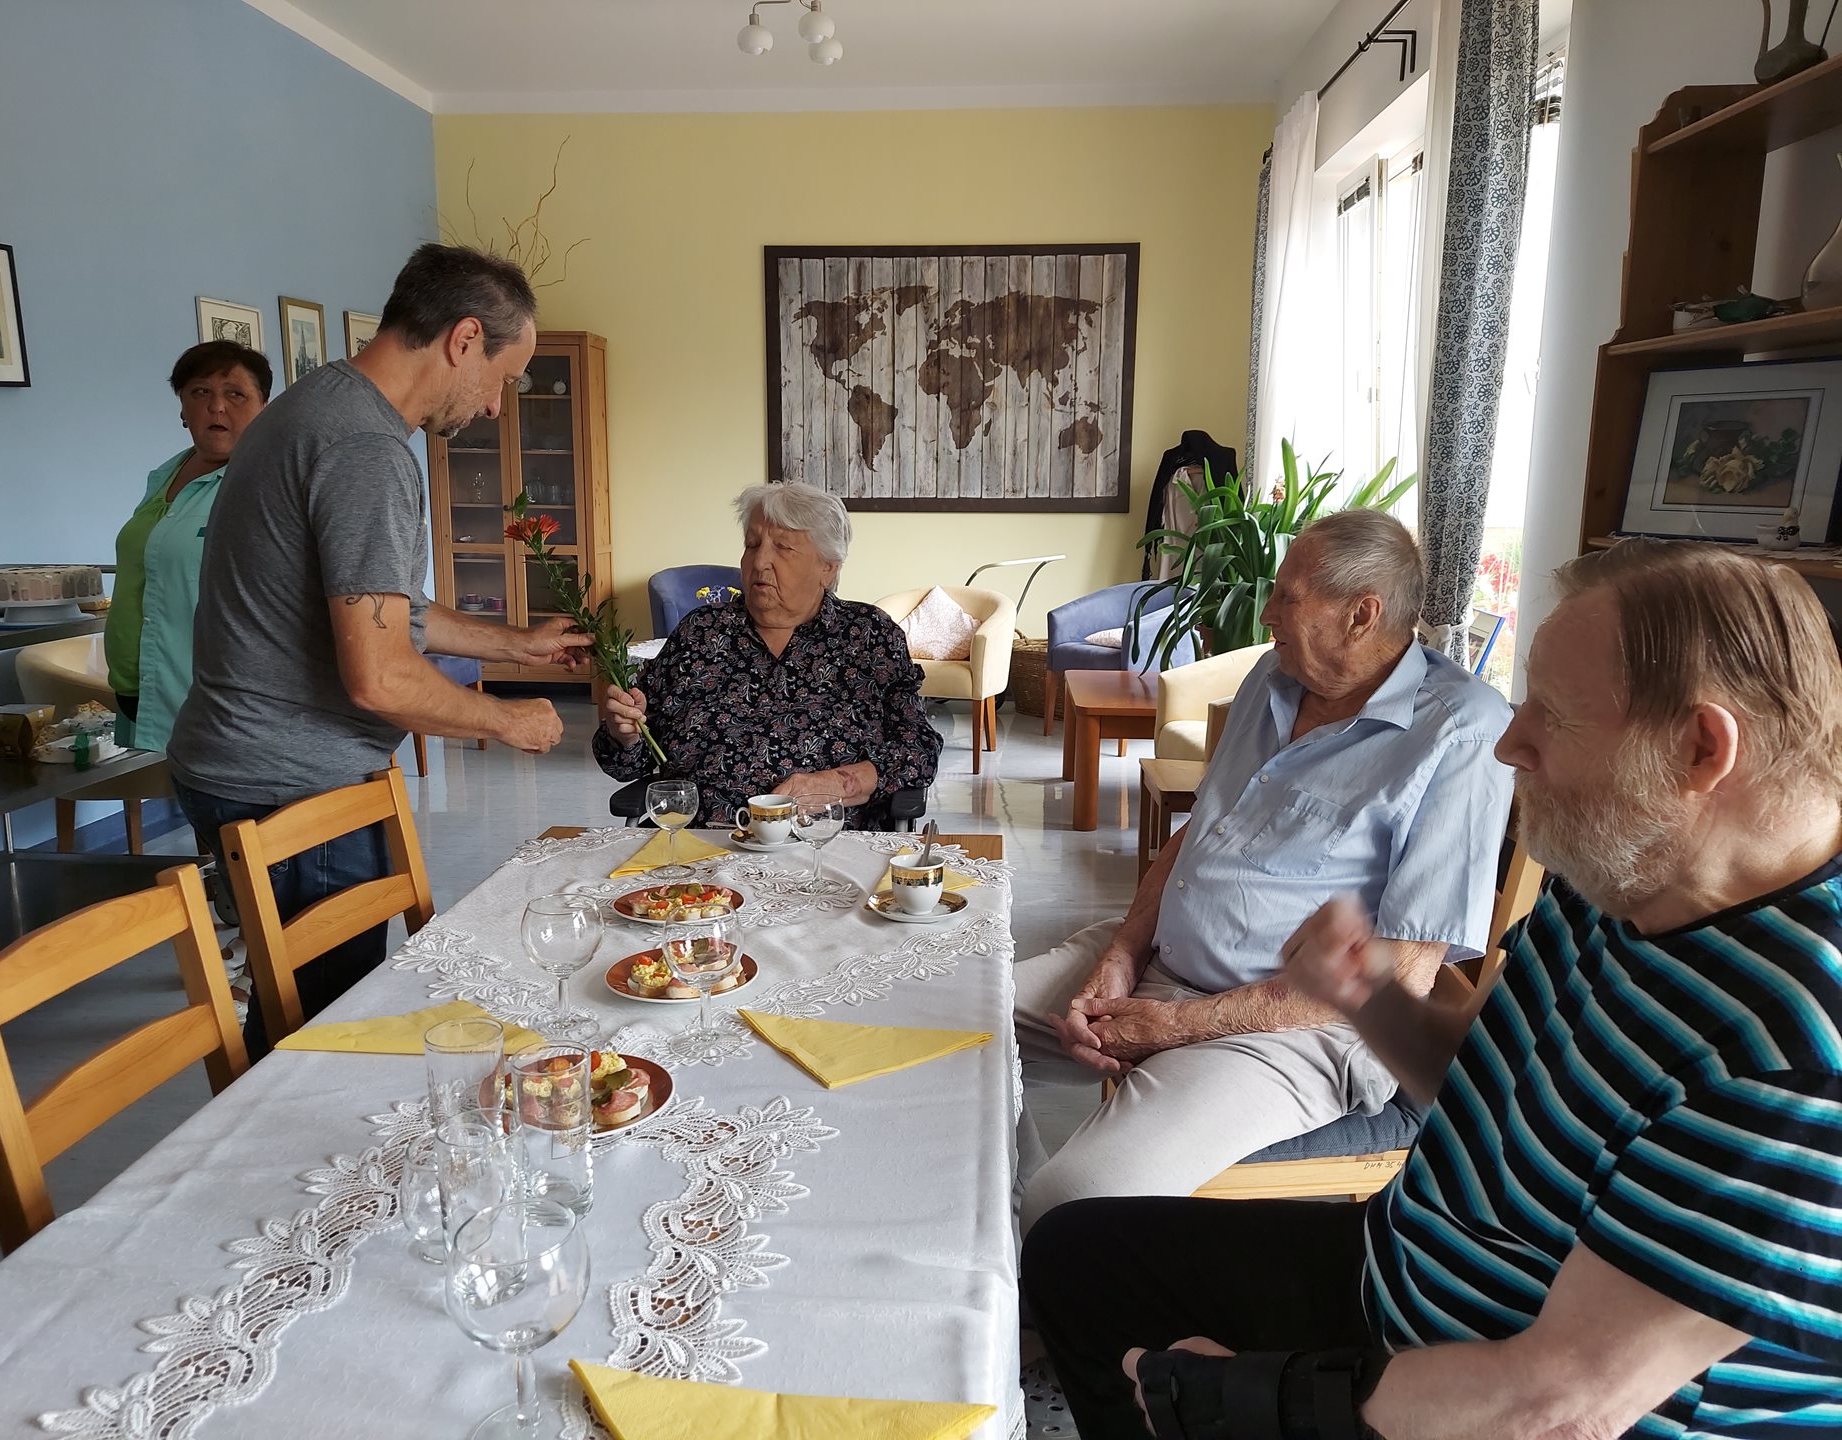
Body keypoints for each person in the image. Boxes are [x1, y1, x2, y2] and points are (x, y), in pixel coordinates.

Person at [1023, 538, 1842, 1440]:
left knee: (1158, 1363)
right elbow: (1475, 1076)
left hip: (1489, 1395)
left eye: (1553, 715)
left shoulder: (1797, 1049)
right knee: (1075, 1256)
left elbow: (1561, 1405)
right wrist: (1366, 995)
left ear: (1699, 748)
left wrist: (1246, 1398)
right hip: (1401, 1274)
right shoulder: (1627, 877)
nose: (1511, 742)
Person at [1014, 509, 1512, 1231]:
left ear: (1361, 614)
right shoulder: (1271, 678)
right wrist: (1122, 953)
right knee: (948, 1023)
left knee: (1069, 1202)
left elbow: (1404, 975)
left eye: (1287, 596)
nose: (1267, 612)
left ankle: (1035, 1263)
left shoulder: (1462, 731)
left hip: (1288, 1032)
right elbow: (1196, 835)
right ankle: (1000, 1224)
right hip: (1162, 963)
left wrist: (1175, 1025)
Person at [170, 243, 590, 1059]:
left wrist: (517, 644)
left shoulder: (316, 404)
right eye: (504, 378)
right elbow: (379, 674)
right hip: (292, 784)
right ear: (464, 339)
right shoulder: (364, 448)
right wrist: (507, 720)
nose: (496, 406)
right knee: (318, 1036)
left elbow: (382, 610)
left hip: (239, 766)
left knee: (289, 1012)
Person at [595, 484, 941, 829]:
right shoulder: (700, 632)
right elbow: (631, 762)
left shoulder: (869, 635)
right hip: (701, 842)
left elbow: (919, 749)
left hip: (825, 843)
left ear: (828, 567)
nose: (760, 561)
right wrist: (625, 735)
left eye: (783, 548)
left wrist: (838, 784)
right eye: (752, 545)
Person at [104, 341, 271, 752]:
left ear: (264, 408)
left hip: (213, 702)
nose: (217, 406)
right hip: (139, 688)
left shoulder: (264, 484)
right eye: (200, 392)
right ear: (182, 408)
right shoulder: (165, 474)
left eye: (235, 394)